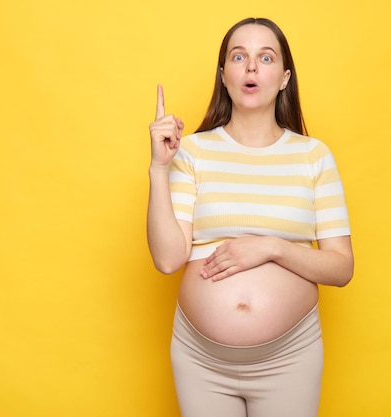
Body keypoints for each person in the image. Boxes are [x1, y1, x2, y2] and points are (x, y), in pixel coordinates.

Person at [147, 17, 354, 417]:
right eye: (239, 56)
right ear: (224, 75)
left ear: (284, 77)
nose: (252, 67)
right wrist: (159, 168)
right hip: (200, 359)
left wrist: (271, 248)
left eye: (266, 57)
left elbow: (341, 268)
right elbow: (168, 260)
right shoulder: (190, 152)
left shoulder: (314, 157)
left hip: (290, 357)